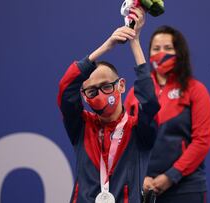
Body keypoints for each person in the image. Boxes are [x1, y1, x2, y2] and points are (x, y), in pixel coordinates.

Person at [57, 8, 159, 203]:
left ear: (121, 85)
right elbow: (66, 88)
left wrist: (135, 42)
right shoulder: (81, 126)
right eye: (92, 91)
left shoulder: (138, 130)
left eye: (106, 86)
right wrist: (107, 46)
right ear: (85, 97)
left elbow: (151, 102)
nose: (100, 95)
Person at [124, 25, 210, 202]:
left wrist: (171, 176)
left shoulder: (195, 90)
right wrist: (140, 177)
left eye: (168, 48)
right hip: (144, 187)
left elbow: (202, 141)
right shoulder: (136, 93)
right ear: (148, 54)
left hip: (185, 188)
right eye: (156, 49)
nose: (161, 53)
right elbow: (126, 140)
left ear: (179, 52)